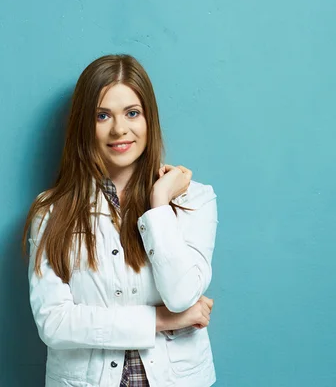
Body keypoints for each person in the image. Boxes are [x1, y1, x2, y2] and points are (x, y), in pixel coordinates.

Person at [23, 53, 218, 387]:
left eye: (132, 113)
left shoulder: (192, 200)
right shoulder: (51, 211)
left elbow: (182, 296)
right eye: (102, 115)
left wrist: (158, 206)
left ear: (148, 119)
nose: (119, 129)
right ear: (85, 124)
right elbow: (54, 323)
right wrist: (159, 320)